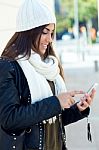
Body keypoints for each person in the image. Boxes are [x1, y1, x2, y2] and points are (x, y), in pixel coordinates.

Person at [0, 0, 96, 150]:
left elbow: (54, 120)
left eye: (51, 32)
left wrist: (78, 109)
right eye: (45, 32)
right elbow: (9, 119)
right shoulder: (9, 66)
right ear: (28, 30)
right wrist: (56, 102)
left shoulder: (48, 65)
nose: (50, 39)